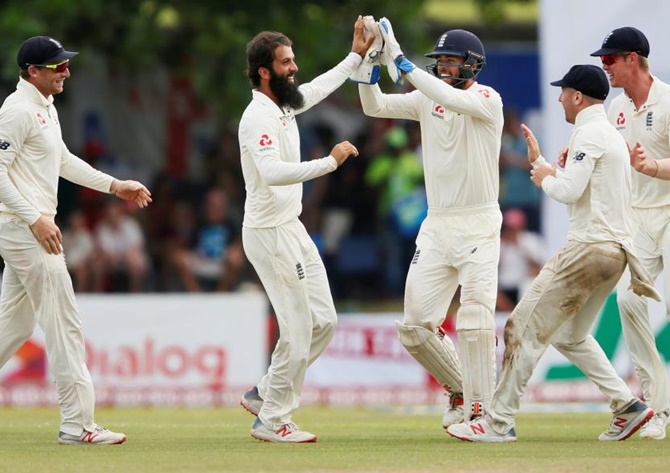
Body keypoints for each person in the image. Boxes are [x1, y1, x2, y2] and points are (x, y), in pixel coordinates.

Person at [447, 65, 657, 443]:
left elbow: (567, 192)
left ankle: (498, 422)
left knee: (520, 328)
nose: (560, 97)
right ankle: (628, 407)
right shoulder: (605, 132)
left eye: (564, 92)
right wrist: (542, 165)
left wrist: (545, 177)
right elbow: (582, 186)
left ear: (578, 96)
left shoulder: (590, 133)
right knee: (570, 335)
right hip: (615, 252)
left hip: (589, 248)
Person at [0, 36, 152, 444]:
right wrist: (35, 219)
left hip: (27, 226)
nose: (65, 71)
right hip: (23, 227)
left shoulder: (44, 108)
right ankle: (78, 424)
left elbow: (62, 159)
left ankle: (77, 423)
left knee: (12, 327)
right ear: (33, 71)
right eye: (57, 66)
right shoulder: (16, 110)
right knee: (64, 322)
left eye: (65, 64)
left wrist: (113, 185)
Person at [359, 18, 503, 428]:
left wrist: (403, 62)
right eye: (439, 61)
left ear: (474, 65)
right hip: (437, 226)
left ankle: (483, 412)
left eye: (452, 61)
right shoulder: (427, 97)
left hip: (478, 223)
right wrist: (371, 63)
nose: (443, 67)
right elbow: (375, 106)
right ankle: (461, 390)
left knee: (475, 319)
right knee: (415, 327)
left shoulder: (488, 99)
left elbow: (448, 96)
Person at [237, 17, 373, 443]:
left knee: (325, 322)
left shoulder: (285, 104)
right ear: (264, 70)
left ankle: (265, 393)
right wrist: (330, 163)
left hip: (290, 228)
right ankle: (273, 419)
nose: (294, 68)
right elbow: (272, 172)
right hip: (269, 232)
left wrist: (355, 56)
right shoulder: (257, 116)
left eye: (293, 60)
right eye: (286, 62)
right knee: (297, 329)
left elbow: (319, 87)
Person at [590, 26, 670, 439]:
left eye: (610, 59)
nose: (604, 67)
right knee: (628, 301)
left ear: (632, 59)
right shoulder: (615, 111)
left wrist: (652, 167)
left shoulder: (669, 100)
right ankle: (658, 407)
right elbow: (606, 159)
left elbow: (651, 165)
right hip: (638, 217)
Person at [496, 208, 546, 312]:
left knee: (529, 285)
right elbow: (494, 267)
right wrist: (505, 247)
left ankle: (518, 314)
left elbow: (539, 265)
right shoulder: (498, 243)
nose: (512, 230)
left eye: (515, 227)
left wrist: (520, 247)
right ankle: (511, 314)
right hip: (504, 285)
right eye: (509, 227)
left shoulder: (531, 240)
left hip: (523, 284)